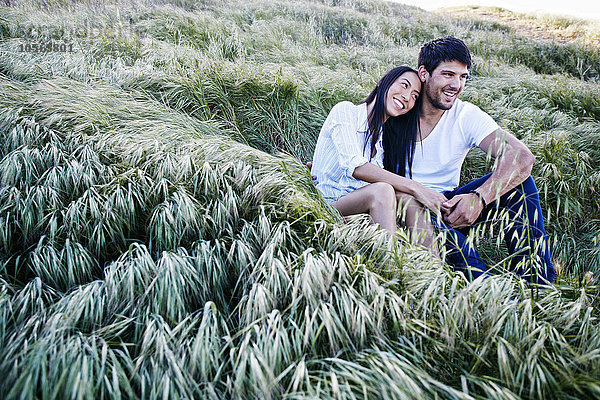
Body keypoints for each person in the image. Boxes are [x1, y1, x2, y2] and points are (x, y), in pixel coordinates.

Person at [384, 36, 555, 283]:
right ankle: (485, 292)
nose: (456, 85)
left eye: (463, 77)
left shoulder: (465, 115)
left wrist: (479, 197)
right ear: (424, 73)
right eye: (448, 74)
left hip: (449, 205)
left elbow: (522, 158)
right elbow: (352, 146)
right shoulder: (399, 106)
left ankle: (537, 284)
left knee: (522, 185)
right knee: (458, 249)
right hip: (407, 208)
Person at [311, 66, 446, 250]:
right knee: (382, 190)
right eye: (404, 85)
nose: (407, 97)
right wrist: (417, 187)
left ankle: (430, 270)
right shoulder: (346, 111)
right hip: (328, 205)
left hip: (356, 210)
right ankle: (390, 264)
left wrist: (414, 194)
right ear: (384, 82)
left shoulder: (380, 140)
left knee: (409, 200)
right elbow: (356, 167)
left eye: (414, 96)